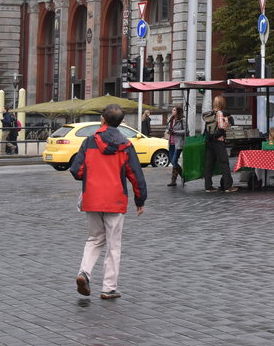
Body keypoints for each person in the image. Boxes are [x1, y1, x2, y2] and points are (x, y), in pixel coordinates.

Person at [70, 104, 147, 300]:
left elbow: (76, 170)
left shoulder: (89, 142)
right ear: (121, 122)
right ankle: (109, 287)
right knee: (113, 245)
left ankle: (84, 272)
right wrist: (140, 199)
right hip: (115, 199)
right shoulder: (126, 145)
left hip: (92, 197)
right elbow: (135, 175)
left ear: (103, 119)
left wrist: (91, 175)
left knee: (94, 239)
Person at [203, 96, 236, 193]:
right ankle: (227, 186)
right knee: (224, 163)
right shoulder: (220, 113)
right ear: (222, 103)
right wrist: (226, 124)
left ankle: (208, 186)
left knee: (209, 164)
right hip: (218, 141)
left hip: (209, 142)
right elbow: (221, 128)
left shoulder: (210, 114)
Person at [165, 106, 187, 186]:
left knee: (174, 161)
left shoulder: (182, 120)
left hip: (178, 144)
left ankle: (183, 176)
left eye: (174, 110)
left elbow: (186, 131)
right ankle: (174, 181)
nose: (172, 111)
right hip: (171, 143)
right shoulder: (171, 119)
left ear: (178, 111)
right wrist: (168, 131)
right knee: (172, 161)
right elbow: (167, 128)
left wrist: (175, 132)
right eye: (172, 109)